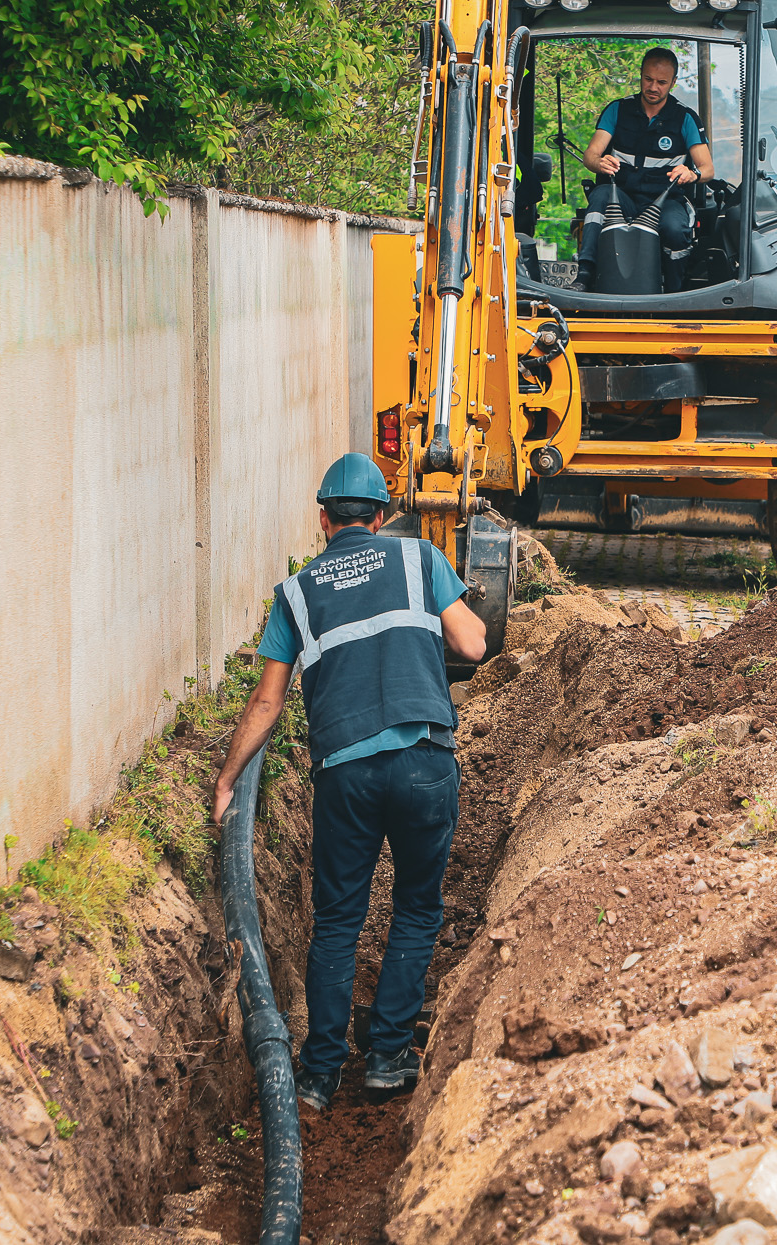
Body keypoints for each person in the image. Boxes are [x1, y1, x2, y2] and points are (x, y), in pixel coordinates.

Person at [212, 453, 487, 1111]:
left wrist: (228, 780)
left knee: (338, 918)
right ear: (386, 512)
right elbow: (474, 645)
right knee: (418, 905)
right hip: (425, 757)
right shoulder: (420, 559)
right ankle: (389, 1055)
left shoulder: (299, 592)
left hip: (347, 773)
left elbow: (268, 703)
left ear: (323, 519)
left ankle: (318, 1072)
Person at [578, 46, 714, 291]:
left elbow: (708, 169)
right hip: (622, 195)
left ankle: (674, 292)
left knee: (674, 228)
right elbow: (590, 156)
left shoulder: (685, 118)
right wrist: (598, 162)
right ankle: (584, 276)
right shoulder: (617, 109)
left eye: (661, 82)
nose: (653, 87)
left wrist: (691, 173)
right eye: (648, 79)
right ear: (640, 75)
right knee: (598, 198)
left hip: (666, 199)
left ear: (673, 83)